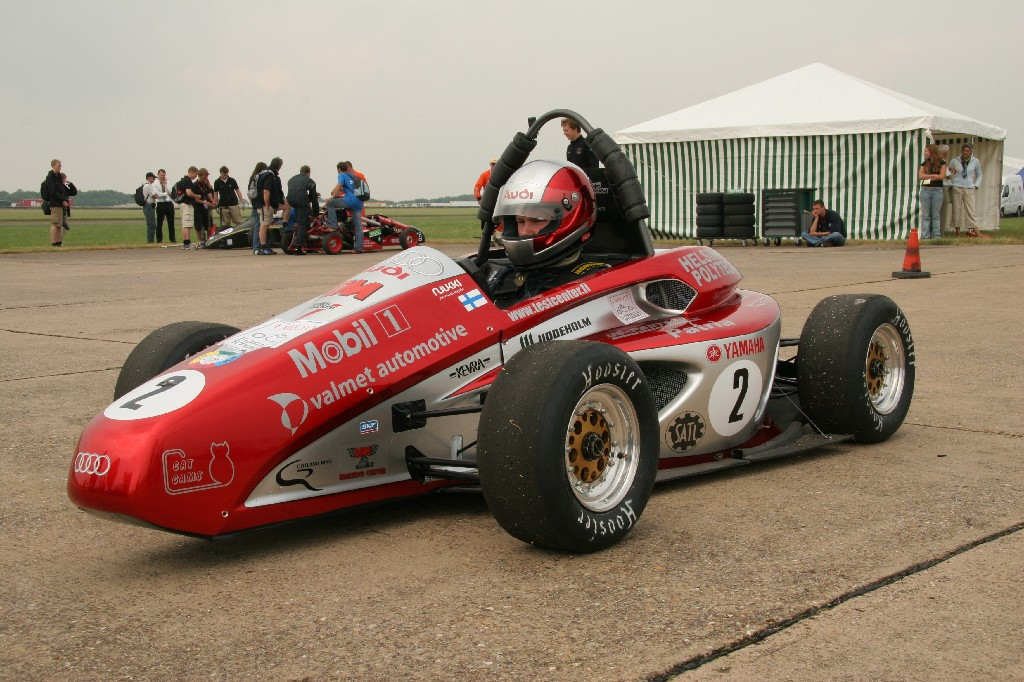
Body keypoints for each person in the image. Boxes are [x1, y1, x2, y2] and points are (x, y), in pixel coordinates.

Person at [487, 159, 603, 306]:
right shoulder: (497, 273)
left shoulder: (596, 283)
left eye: (538, 220)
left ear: (572, 218)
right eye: (519, 221)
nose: (525, 231)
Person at [325, 161, 365, 253]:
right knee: (358, 225)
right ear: (347, 168)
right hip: (359, 202)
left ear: (339, 169)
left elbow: (339, 185)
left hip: (350, 200)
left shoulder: (341, 175)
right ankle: (358, 248)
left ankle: (333, 225)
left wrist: (332, 197)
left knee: (330, 203)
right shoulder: (353, 176)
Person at [947, 143, 984, 238]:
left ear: (971, 151)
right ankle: (957, 232)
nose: (965, 152)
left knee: (971, 210)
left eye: (967, 151)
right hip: (957, 187)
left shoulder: (975, 161)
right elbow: (947, 173)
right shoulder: (955, 160)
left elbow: (979, 175)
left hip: (969, 187)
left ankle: (976, 231)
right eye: (964, 150)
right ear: (961, 151)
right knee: (956, 210)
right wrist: (950, 184)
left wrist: (976, 185)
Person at [285, 165, 319, 255]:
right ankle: (299, 247)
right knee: (302, 224)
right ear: (308, 173)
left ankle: (294, 237)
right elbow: (314, 199)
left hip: (291, 201)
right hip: (301, 202)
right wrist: (316, 213)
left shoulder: (291, 179)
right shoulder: (310, 181)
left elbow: (296, 191)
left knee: (299, 220)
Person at [254, 157, 285, 255]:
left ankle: (264, 246)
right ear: (279, 166)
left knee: (265, 225)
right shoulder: (270, 175)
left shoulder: (263, 173)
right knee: (263, 226)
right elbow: (266, 190)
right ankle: (263, 247)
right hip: (264, 205)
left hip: (265, 204)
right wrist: (267, 204)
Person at [918, 144, 946, 240]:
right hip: (925, 189)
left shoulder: (942, 163)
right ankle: (925, 235)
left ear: (931, 152)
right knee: (926, 215)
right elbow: (921, 176)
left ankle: (936, 235)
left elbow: (941, 176)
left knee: (935, 214)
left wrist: (928, 176)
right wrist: (934, 176)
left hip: (937, 190)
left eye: (926, 151)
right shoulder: (924, 164)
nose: (924, 153)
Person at [41, 159, 69, 247]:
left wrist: (64, 199)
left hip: (60, 203)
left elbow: (62, 190)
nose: (60, 167)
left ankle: (58, 242)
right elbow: (52, 191)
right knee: (55, 223)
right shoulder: (50, 177)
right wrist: (62, 200)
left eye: (60, 165)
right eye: (58, 165)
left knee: (59, 224)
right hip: (55, 203)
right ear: (53, 166)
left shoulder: (59, 176)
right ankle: (54, 243)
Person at [178, 166, 201, 249]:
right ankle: (188, 243)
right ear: (192, 172)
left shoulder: (182, 180)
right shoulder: (188, 181)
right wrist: (197, 196)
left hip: (182, 204)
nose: (196, 177)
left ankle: (185, 242)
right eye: (196, 174)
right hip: (187, 204)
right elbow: (189, 193)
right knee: (187, 224)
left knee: (184, 224)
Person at [152, 169, 176, 243]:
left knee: (171, 222)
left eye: (164, 175)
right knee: (159, 222)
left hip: (169, 203)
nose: (163, 176)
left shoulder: (167, 182)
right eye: (161, 175)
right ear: (158, 175)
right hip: (160, 203)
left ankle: (172, 239)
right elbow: (157, 194)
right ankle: (159, 239)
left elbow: (171, 192)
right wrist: (165, 194)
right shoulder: (154, 183)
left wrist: (165, 185)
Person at [193, 168, 216, 243]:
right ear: (199, 176)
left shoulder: (205, 184)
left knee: (209, 225)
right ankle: (201, 241)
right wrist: (204, 202)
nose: (206, 178)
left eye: (206, 177)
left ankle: (209, 240)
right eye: (204, 177)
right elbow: (195, 199)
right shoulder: (195, 185)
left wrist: (213, 201)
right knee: (199, 227)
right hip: (198, 208)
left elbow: (209, 193)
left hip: (206, 209)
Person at [141, 172, 158, 243]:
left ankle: (151, 240)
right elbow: (155, 196)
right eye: (153, 178)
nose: (154, 179)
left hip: (149, 206)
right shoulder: (148, 186)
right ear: (149, 178)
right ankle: (150, 241)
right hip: (148, 206)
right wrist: (156, 194)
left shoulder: (147, 186)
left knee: (152, 224)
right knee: (151, 224)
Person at [60, 172, 78, 238]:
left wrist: (70, 184)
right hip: (59, 209)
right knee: (59, 226)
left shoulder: (64, 187)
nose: (65, 180)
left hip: (65, 210)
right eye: (64, 179)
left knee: (64, 227)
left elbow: (74, 192)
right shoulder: (57, 187)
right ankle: (57, 242)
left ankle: (59, 241)